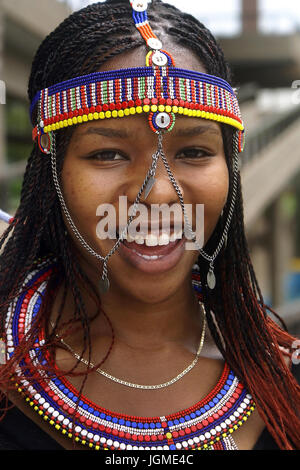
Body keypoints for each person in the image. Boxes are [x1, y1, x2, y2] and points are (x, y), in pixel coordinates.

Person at [0, 0, 299, 451]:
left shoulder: (282, 375)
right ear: (52, 171)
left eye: (195, 152)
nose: (158, 194)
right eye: (108, 154)